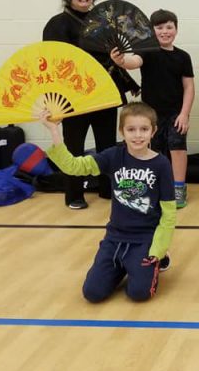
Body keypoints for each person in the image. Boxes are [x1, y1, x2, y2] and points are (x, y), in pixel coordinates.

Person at [40, 103, 176, 302]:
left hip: (145, 238)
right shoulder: (113, 156)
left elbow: (169, 212)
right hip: (115, 237)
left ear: (153, 131)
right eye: (131, 129)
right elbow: (73, 167)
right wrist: (54, 130)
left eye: (144, 129)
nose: (137, 135)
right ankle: (122, 265)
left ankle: (157, 260)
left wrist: (158, 248)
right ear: (122, 132)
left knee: (138, 293)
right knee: (92, 293)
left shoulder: (161, 164)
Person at [42, 0, 131, 210]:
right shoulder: (57, 24)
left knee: (107, 144)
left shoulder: (102, 22)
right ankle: (73, 194)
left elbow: (112, 56)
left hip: (103, 94)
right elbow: (55, 62)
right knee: (74, 146)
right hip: (74, 98)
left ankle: (106, 188)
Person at [110, 9, 195, 209]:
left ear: (176, 29)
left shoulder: (183, 57)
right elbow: (133, 62)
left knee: (177, 148)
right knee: (152, 151)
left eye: (169, 27)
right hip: (151, 114)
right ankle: (155, 186)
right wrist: (120, 60)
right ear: (152, 30)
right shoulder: (146, 51)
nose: (165, 31)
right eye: (159, 27)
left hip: (176, 113)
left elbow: (189, 87)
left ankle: (179, 188)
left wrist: (184, 114)